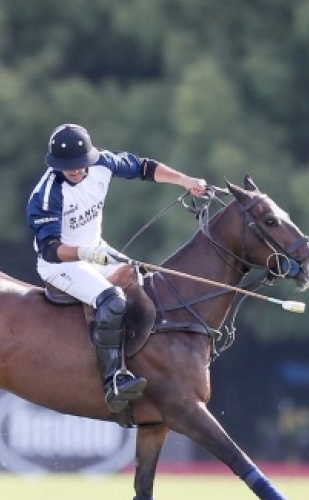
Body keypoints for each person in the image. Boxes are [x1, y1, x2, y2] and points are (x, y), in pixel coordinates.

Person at [25, 123, 207, 413]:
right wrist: (86, 253)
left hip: (95, 249)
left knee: (145, 280)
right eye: (67, 166)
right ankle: (113, 380)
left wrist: (185, 181)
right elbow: (50, 249)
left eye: (79, 164)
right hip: (61, 264)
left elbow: (144, 168)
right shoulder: (47, 194)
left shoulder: (103, 163)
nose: (74, 170)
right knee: (112, 300)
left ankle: (152, 363)